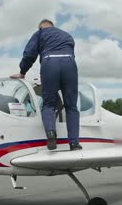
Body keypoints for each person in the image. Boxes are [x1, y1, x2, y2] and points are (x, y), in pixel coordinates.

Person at [10, 19, 82, 151]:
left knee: (49, 104)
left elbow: (29, 54)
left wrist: (22, 72)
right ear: (53, 26)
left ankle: (51, 135)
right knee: (71, 105)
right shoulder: (67, 35)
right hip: (70, 63)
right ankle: (74, 143)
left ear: (40, 27)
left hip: (50, 63)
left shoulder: (40, 33)